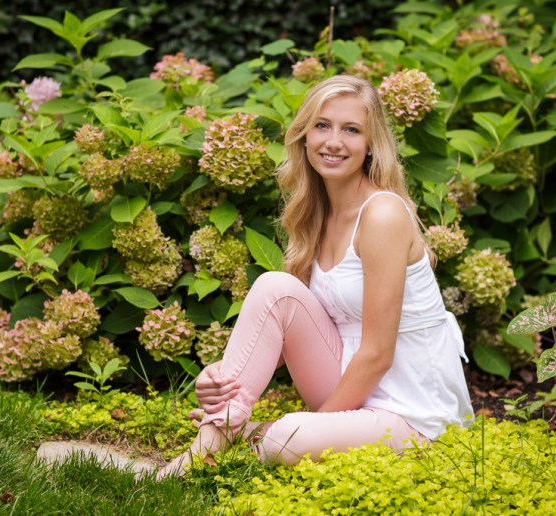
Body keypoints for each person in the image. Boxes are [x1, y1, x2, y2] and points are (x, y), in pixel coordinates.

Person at [157, 74, 472, 478]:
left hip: (414, 412)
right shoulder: (316, 215)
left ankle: (265, 434)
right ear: (304, 135)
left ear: (371, 144)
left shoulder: (382, 215)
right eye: (322, 125)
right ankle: (208, 445)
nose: (334, 141)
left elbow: (378, 354)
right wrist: (220, 381)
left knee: (285, 438)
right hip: (352, 387)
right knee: (275, 287)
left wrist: (314, 425)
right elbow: (291, 325)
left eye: (352, 130)